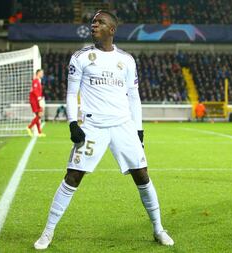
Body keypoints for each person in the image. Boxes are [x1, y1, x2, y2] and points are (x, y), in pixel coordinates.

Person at [34, 10, 174, 250]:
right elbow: (70, 94)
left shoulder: (127, 60)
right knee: (72, 177)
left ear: (112, 29)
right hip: (92, 127)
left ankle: (158, 229)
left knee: (142, 176)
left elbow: (134, 97)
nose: (94, 25)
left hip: (122, 126)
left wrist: (139, 130)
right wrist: (72, 123)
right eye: (93, 22)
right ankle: (47, 232)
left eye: (100, 22)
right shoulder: (80, 57)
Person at [27, 69, 46, 137]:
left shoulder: (38, 81)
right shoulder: (35, 80)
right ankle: (29, 127)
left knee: (38, 116)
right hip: (34, 100)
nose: (42, 74)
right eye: (41, 73)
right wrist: (38, 97)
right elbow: (34, 90)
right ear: (38, 73)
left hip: (36, 100)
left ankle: (39, 132)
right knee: (40, 114)